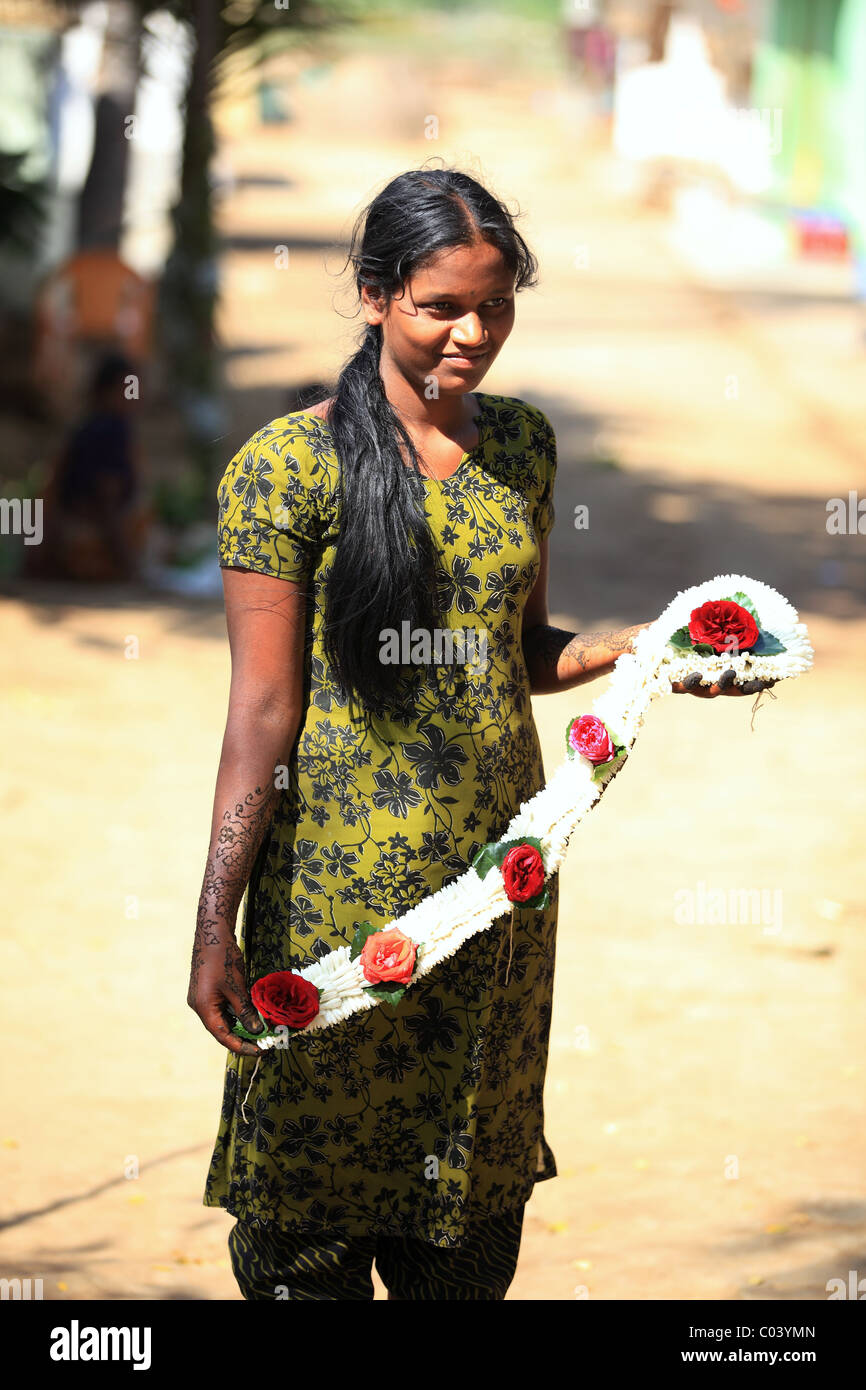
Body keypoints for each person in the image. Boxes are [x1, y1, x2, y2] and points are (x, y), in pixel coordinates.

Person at [188, 165, 770, 1301]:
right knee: (304, 1237)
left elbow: (519, 647)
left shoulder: (521, 448)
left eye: (493, 306)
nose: (471, 333)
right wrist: (217, 920)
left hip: (498, 900)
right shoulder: (286, 467)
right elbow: (260, 712)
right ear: (372, 297)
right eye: (439, 305)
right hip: (331, 907)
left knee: (460, 1242)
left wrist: (639, 651)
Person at [36, 351, 149, 582]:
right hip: (87, 540)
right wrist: (129, 565)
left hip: (70, 536)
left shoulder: (88, 426)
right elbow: (106, 499)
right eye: (130, 388)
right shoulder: (110, 430)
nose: (137, 396)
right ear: (109, 390)